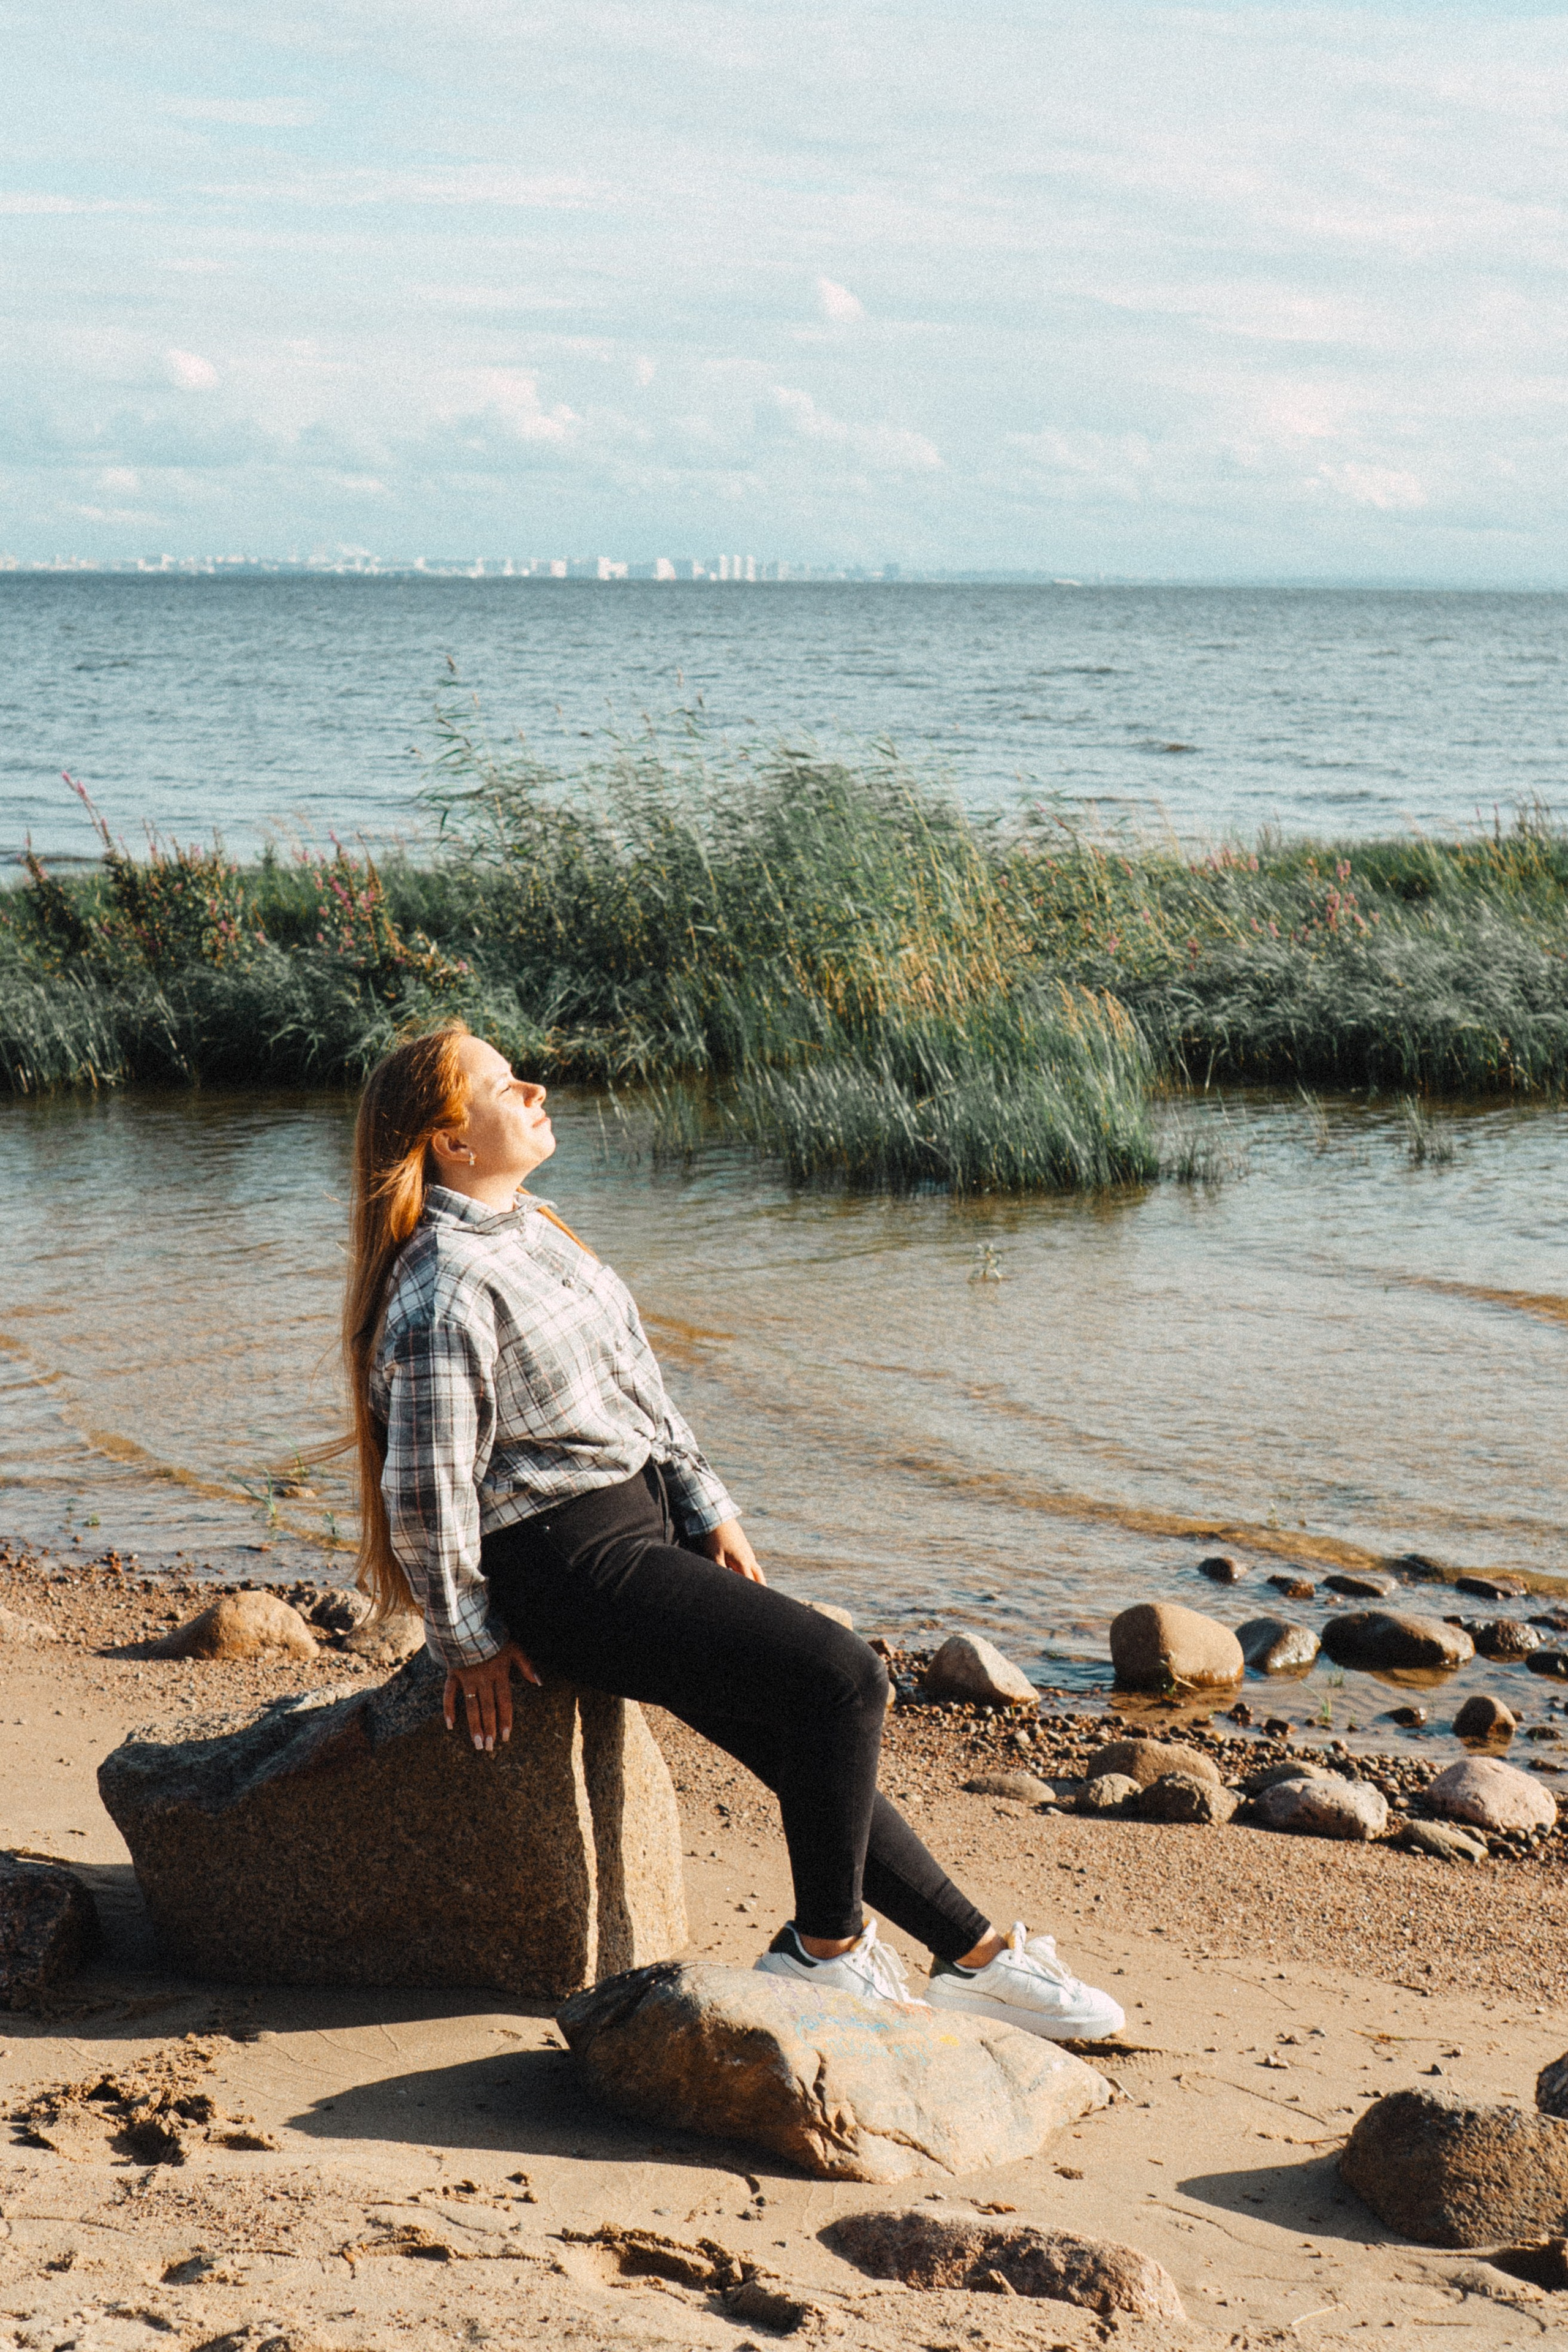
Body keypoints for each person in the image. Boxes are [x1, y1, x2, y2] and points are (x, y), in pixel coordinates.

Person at [343, 1019, 1125, 2036]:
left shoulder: (530, 1228)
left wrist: (705, 1502)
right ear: (451, 1140)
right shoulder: (445, 1284)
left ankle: (972, 1955)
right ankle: (825, 1952)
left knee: (804, 1729)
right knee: (845, 1676)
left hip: (637, 1527)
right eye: (505, 1085)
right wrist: (469, 1640)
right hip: (567, 1564)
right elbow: (425, 1488)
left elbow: (637, 1385)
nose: (534, 1090)